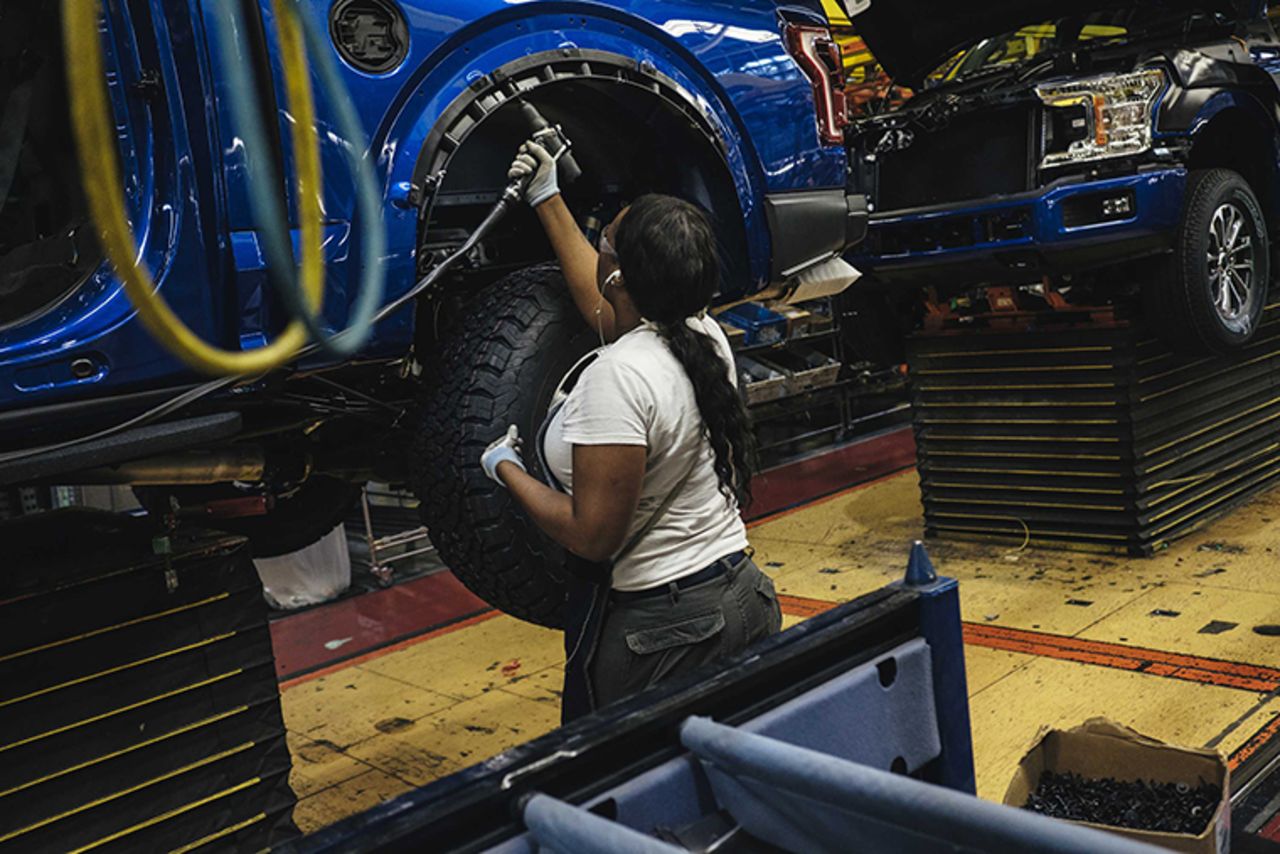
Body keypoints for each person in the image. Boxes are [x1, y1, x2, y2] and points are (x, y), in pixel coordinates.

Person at [479, 139, 782, 721]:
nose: (599, 240)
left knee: (649, 798)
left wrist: (507, 470)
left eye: (606, 238)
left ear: (620, 275)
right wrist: (548, 197)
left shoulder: (616, 377)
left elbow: (593, 537)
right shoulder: (702, 334)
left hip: (667, 637)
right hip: (743, 597)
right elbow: (603, 304)